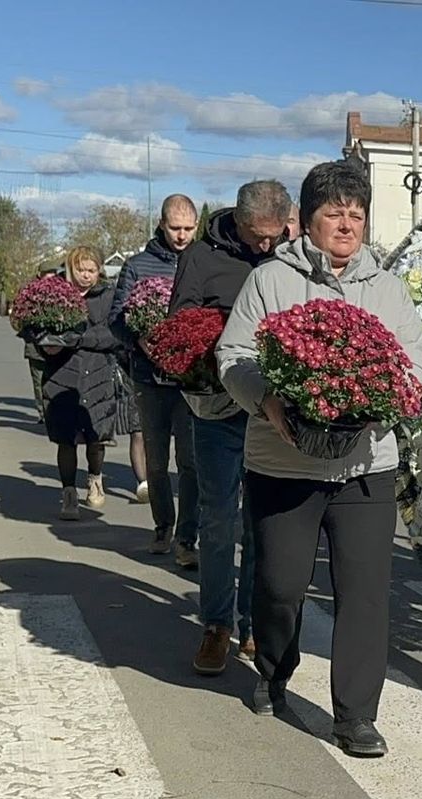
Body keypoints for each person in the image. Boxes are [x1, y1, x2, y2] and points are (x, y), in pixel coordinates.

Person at [216, 161, 422, 758]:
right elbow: (233, 355)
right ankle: (274, 669)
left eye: (356, 214)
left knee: (364, 591)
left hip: (366, 464)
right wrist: (268, 402)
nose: (346, 223)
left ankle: (356, 714)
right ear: (306, 221)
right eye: (333, 212)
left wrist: (377, 409)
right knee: (281, 586)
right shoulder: (269, 281)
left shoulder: (386, 286)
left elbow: (413, 363)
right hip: (283, 465)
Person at [171, 181, 292, 676]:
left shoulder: (290, 257)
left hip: (275, 412)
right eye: (255, 236)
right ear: (237, 222)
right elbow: (178, 322)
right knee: (219, 517)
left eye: (272, 237)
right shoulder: (201, 255)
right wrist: (226, 336)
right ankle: (216, 624)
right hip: (219, 407)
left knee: (263, 522)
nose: (264, 246)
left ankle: (253, 622)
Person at [112, 194, 201, 564]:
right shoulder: (137, 266)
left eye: (188, 229)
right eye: (175, 228)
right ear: (161, 225)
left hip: (192, 380)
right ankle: (163, 524)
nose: (181, 236)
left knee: (192, 460)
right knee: (157, 459)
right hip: (149, 379)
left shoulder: (204, 261)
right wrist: (141, 339)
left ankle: (187, 535)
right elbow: (117, 319)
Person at [32, 248, 127, 520]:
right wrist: (45, 343)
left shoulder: (108, 296)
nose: (86, 276)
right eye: (81, 270)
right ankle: (68, 491)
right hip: (62, 372)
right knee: (66, 439)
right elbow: (37, 330)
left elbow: (115, 334)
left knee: (96, 438)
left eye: (91, 270)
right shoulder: (56, 296)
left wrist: (78, 337)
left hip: (98, 374)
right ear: (71, 270)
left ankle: (95, 477)